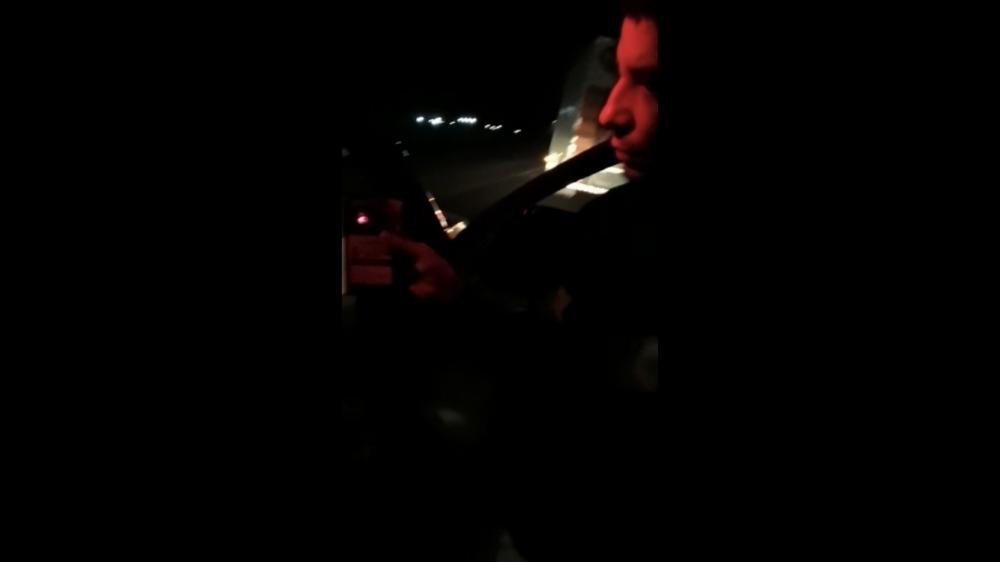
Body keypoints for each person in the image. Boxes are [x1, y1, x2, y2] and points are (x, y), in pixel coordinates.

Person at [381, 0, 660, 557]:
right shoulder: (619, 220)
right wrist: (459, 295)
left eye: (652, 83)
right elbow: (565, 356)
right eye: (619, 77)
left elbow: (579, 390)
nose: (611, 112)